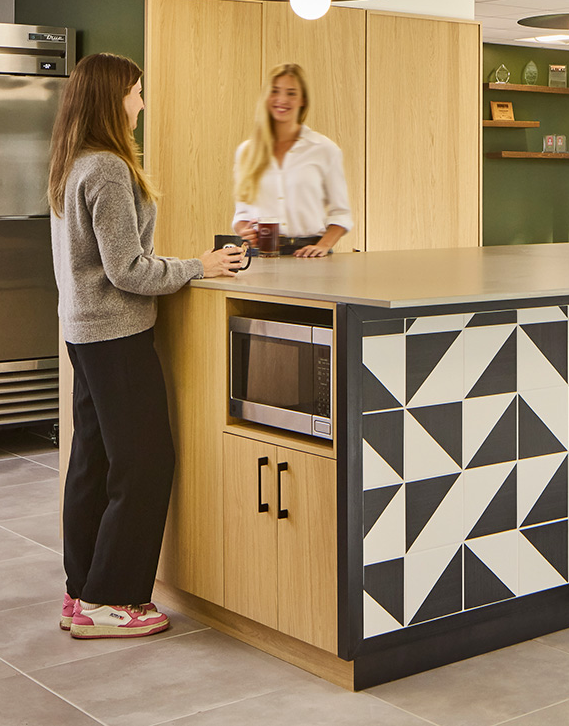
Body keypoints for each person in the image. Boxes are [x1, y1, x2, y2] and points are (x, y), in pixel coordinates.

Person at [49, 52, 246, 639]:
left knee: (93, 462)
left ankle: (82, 592)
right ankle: (113, 601)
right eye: (135, 92)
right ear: (113, 99)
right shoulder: (109, 168)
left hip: (83, 332)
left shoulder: (72, 163)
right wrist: (199, 265)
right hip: (116, 334)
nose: (140, 103)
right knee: (144, 464)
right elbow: (127, 270)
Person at [232, 63, 352, 257]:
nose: (282, 99)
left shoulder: (324, 150)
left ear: (303, 99)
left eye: (291, 93)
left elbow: (341, 213)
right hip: (259, 255)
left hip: (310, 257)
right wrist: (245, 231)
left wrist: (323, 245)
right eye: (275, 91)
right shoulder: (246, 152)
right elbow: (242, 215)